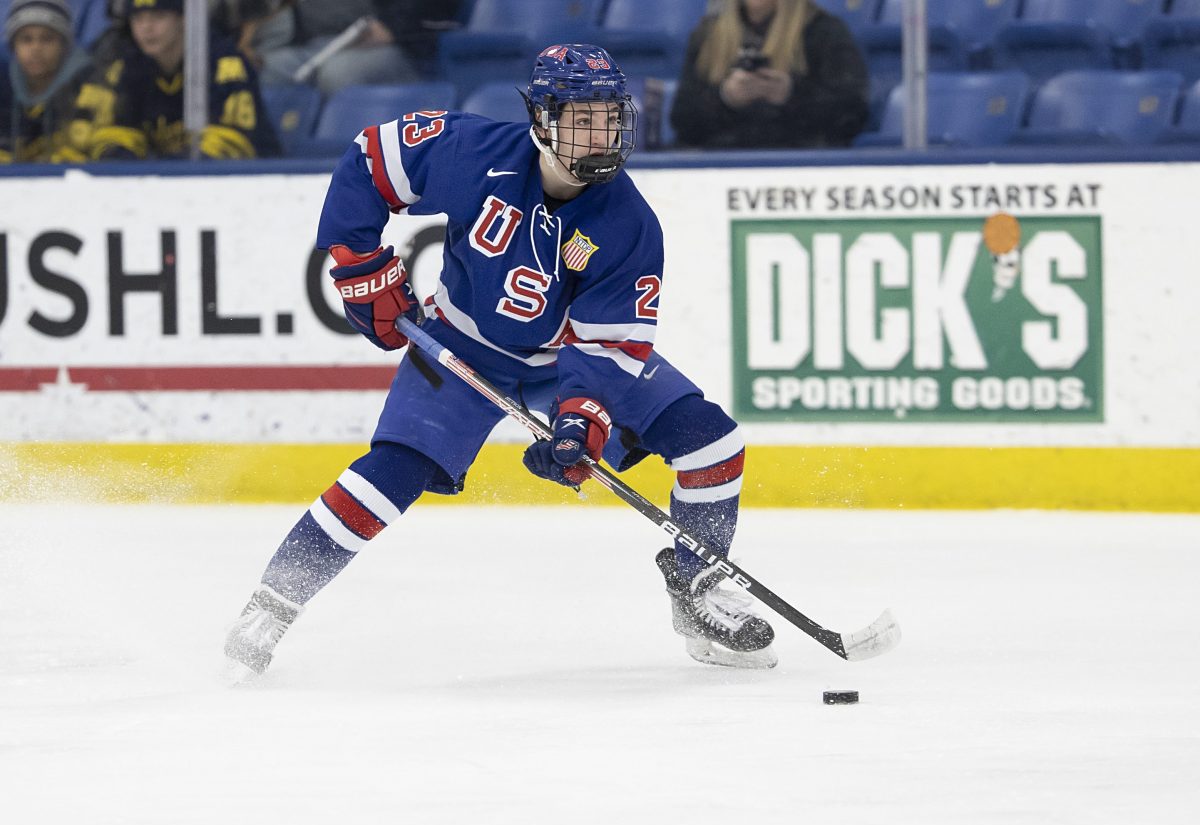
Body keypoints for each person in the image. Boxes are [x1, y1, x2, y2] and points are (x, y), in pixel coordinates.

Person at [223, 43, 778, 680]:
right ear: (541, 119)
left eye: (608, 118)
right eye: (580, 119)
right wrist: (355, 263)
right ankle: (274, 601)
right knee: (393, 471)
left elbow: (609, 348)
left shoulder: (629, 223)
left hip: (562, 360)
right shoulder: (470, 152)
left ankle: (698, 589)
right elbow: (368, 158)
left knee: (711, 442)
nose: (599, 136)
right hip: (458, 344)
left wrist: (580, 422)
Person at [61, 0, 279, 160]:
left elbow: (229, 143)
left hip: (247, 183)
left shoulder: (224, 62)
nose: (146, 28)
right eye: (138, 19)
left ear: (183, 19)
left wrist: (161, 171)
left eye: (158, 17)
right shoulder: (129, 66)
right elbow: (114, 133)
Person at [670, 0, 869, 149]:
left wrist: (791, 95)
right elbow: (683, 119)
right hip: (723, 161)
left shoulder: (824, 31)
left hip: (801, 162)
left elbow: (853, 112)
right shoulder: (708, 34)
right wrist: (726, 98)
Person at [245, 0, 453, 96]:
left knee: (337, 73)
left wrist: (393, 26)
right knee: (268, 70)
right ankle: (274, 163)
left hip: (394, 45)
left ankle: (354, 163)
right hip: (316, 45)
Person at [0, 0, 93, 163]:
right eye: (26, 39)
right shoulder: (4, 89)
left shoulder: (91, 88)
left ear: (64, 46)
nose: (36, 48)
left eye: (47, 39)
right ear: (13, 46)